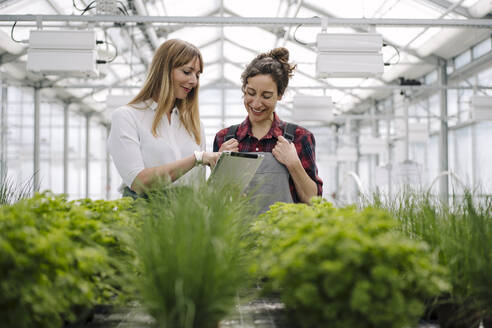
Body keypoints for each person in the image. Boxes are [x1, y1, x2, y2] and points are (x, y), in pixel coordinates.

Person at [213, 47, 323, 211]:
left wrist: (293, 164)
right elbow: (215, 202)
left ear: (280, 94)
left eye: (266, 96)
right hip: (236, 236)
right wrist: (221, 168)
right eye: (250, 93)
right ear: (244, 88)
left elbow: (314, 201)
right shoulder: (225, 138)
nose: (256, 103)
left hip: (284, 235)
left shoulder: (299, 137)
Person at [108, 39, 220, 197]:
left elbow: (198, 187)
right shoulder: (127, 117)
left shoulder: (194, 124)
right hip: (144, 217)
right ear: (163, 71)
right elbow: (139, 182)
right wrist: (197, 158)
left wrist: (221, 165)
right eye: (187, 72)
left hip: (188, 218)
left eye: (197, 75)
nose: (194, 81)